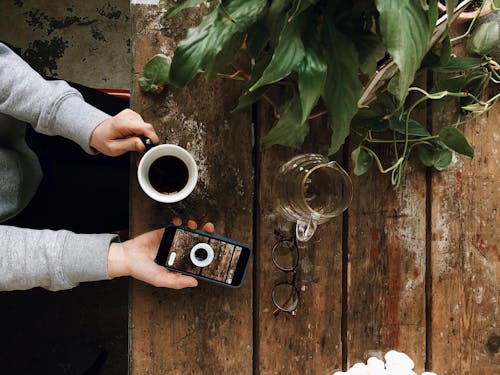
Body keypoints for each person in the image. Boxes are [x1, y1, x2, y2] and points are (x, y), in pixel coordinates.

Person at [0, 41, 211, 291]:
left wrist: (83, 120)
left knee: (151, 128)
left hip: (24, 109)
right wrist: (121, 257)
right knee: (144, 212)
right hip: (26, 209)